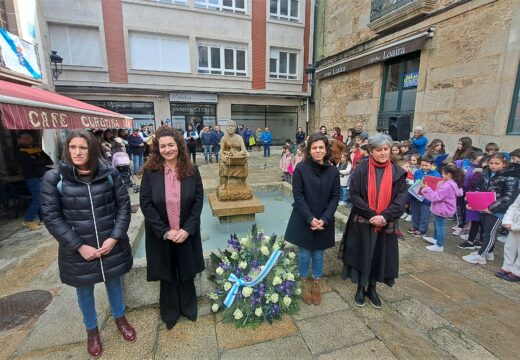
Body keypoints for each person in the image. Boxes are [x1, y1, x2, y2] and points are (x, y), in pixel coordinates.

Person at [40, 130, 135, 358]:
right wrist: (78, 246)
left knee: (114, 282)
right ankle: (92, 330)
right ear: (67, 150)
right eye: (73, 147)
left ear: (91, 149)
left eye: (83, 147)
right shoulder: (55, 179)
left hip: (109, 242)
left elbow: (123, 206)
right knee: (84, 290)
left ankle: (120, 318)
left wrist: (114, 237)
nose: (78, 152)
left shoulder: (109, 173)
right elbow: (52, 217)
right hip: (77, 248)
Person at [139, 126, 204, 329]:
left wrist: (186, 229)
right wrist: (165, 231)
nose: (167, 149)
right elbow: (146, 203)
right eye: (163, 146)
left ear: (179, 146)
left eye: (171, 145)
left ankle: (188, 307)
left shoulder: (192, 170)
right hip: (162, 234)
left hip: (186, 232)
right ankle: (170, 312)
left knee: (186, 271)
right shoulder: (151, 172)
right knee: (167, 274)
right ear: (157, 148)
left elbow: (198, 201)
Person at [339, 134, 408, 308]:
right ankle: (361, 288)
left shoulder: (398, 173)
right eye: (378, 149)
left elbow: (400, 199)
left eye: (386, 149)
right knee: (363, 254)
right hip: (364, 220)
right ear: (371, 151)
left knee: (379, 255)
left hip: (386, 223)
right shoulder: (361, 169)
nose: (383, 153)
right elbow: (354, 194)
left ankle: (372, 288)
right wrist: (371, 215)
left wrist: (384, 216)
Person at [285, 133, 340, 306]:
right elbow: (298, 196)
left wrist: (324, 219)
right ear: (309, 150)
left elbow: (335, 197)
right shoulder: (301, 168)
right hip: (304, 218)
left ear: (326, 149)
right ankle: (303, 283)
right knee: (304, 254)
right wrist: (310, 218)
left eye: (321, 147)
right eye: (314, 147)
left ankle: (316, 284)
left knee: (318, 255)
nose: (318, 151)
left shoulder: (333, 171)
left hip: (324, 220)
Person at [462, 153, 519, 264]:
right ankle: (489, 253)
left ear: (504, 164)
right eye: (491, 163)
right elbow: (478, 188)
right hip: (483, 208)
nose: (493, 166)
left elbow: (508, 197)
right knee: (486, 231)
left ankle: (480, 256)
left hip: (498, 210)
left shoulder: (511, 177)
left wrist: (491, 209)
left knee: (490, 233)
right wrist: (472, 202)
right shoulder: (486, 172)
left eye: (497, 163)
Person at [420, 165, 464, 252]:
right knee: (437, 223)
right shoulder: (453, 183)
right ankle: (435, 239)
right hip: (443, 207)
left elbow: (435, 197)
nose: (442, 175)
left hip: (442, 208)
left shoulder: (447, 185)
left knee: (440, 226)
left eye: (443, 174)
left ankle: (439, 245)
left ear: (448, 174)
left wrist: (426, 189)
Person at [16, 132, 54, 230]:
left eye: (29, 137)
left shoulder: (36, 148)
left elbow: (49, 160)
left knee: (43, 198)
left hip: (42, 176)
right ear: (19, 140)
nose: (27, 139)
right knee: (38, 198)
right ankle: (28, 219)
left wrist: (39, 161)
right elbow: (31, 162)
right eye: (24, 138)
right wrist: (40, 160)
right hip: (33, 178)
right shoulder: (20, 151)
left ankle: (43, 219)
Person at [408, 155, 441, 238]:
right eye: (422, 165)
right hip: (416, 195)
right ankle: (414, 226)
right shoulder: (418, 172)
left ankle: (422, 230)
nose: (424, 167)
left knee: (424, 214)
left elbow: (436, 187)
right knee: (415, 212)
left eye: (426, 165)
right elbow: (415, 182)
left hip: (427, 198)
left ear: (432, 165)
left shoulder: (436, 174)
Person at [496, 193, 520, 282]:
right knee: (510, 247)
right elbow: (514, 206)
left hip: (516, 226)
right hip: (513, 225)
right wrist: (507, 221)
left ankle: (517, 272)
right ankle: (507, 266)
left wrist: (514, 227)